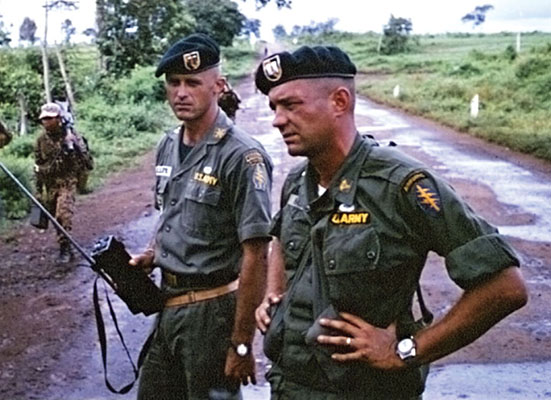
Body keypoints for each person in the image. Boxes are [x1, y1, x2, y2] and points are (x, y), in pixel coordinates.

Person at [254, 45, 528, 399]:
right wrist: (274, 293)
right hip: (289, 386)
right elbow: (281, 237)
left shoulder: (401, 184)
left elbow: (505, 286)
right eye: (274, 107)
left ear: (339, 101)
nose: (277, 119)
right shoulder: (297, 181)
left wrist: (406, 351)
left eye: (291, 105)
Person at [130, 33, 273, 400]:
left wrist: (242, 343)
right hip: (167, 306)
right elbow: (169, 211)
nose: (180, 92)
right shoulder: (167, 145)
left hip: (212, 313)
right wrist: (153, 252)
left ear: (218, 86)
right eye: (173, 83)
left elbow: (256, 254)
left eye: (192, 82)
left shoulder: (241, 155)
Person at [34, 102, 91, 263]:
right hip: (50, 184)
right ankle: (64, 244)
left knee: (63, 215)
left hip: (68, 181)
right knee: (54, 217)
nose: (46, 122)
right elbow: (37, 165)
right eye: (44, 119)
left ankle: (65, 248)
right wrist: (38, 190)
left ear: (59, 119)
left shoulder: (71, 136)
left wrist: (73, 146)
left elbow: (87, 163)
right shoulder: (40, 140)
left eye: (50, 118)